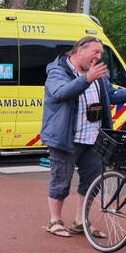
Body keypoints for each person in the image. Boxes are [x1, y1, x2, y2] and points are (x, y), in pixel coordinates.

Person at [41, 35, 126, 237]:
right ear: (80, 50)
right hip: (66, 137)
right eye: (95, 52)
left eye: (101, 53)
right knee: (61, 181)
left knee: (91, 182)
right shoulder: (58, 71)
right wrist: (87, 78)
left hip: (93, 137)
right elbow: (61, 93)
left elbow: (111, 96)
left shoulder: (96, 73)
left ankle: (81, 221)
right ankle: (55, 221)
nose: (98, 57)